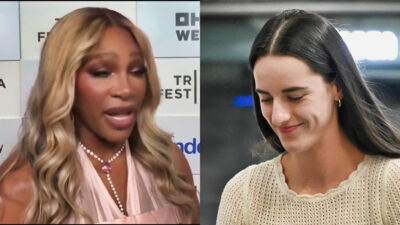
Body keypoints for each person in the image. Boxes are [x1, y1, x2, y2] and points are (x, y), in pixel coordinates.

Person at [0, 7, 199, 224]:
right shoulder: (20, 190)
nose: (125, 89)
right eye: (102, 72)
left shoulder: (169, 164)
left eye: (137, 71)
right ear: (64, 81)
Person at [217, 9, 400, 224]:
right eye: (266, 99)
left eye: (295, 97)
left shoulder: (391, 186)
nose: (278, 117)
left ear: (337, 87)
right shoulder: (244, 193)